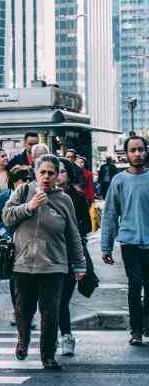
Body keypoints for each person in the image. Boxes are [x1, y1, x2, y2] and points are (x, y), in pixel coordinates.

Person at [3, 154, 86, 370]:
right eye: (43, 172)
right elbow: (6, 216)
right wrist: (29, 206)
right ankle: (23, 340)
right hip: (23, 262)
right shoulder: (23, 191)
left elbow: (73, 234)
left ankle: (48, 355)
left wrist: (79, 264)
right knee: (23, 309)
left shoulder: (64, 199)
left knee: (50, 312)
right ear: (35, 174)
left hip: (53, 265)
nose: (47, 177)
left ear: (57, 176)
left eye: (51, 173)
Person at [101, 135, 149, 345]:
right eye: (133, 150)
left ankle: (147, 326)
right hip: (129, 242)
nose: (137, 154)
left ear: (146, 151)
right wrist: (106, 246)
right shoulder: (119, 180)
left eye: (140, 150)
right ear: (126, 154)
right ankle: (136, 330)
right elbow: (110, 214)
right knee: (135, 284)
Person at [56, 157, 92, 356]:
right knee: (49, 300)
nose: (57, 175)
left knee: (62, 300)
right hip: (48, 256)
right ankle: (51, 336)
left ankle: (66, 336)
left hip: (69, 255)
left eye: (61, 171)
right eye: (55, 171)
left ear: (68, 175)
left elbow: (86, 225)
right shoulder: (42, 195)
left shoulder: (77, 197)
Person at [0, 165, 33, 326]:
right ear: (15, 182)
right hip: (12, 245)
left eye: (29, 179)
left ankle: (28, 313)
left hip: (31, 244)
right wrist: (3, 233)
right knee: (16, 281)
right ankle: (18, 312)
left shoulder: (33, 196)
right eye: (24, 180)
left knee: (30, 280)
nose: (27, 183)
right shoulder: (5, 197)